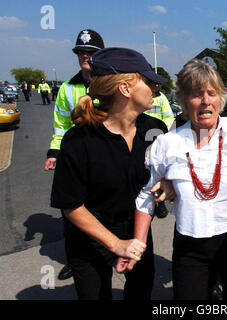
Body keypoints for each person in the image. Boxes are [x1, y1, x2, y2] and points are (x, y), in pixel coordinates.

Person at [116, 59, 227, 300]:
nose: (205, 101)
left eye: (211, 93)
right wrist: (138, 243)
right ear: (183, 101)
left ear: (221, 97)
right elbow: (146, 195)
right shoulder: (167, 144)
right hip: (191, 246)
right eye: (195, 94)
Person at [50, 47, 170, 300]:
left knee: (141, 291)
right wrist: (116, 244)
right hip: (90, 239)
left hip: (137, 229)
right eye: (148, 82)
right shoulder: (79, 140)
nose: (155, 90)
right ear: (125, 89)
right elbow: (70, 206)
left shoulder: (155, 130)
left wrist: (168, 183)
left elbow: (160, 177)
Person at [44, 29, 105, 281]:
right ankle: (76, 260)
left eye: (91, 52)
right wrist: (54, 151)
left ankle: (111, 253)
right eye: (81, 52)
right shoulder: (67, 88)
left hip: (104, 158)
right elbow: (60, 125)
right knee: (72, 216)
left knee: (106, 210)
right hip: (76, 160)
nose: (85, 56)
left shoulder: (112, 85)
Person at [144, 85, 175, 219]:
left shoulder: (161, 98)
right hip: (142, 139)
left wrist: (162, 137)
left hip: (156, 139)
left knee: (159, 173)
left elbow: (168, 117)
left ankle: (160, 204)